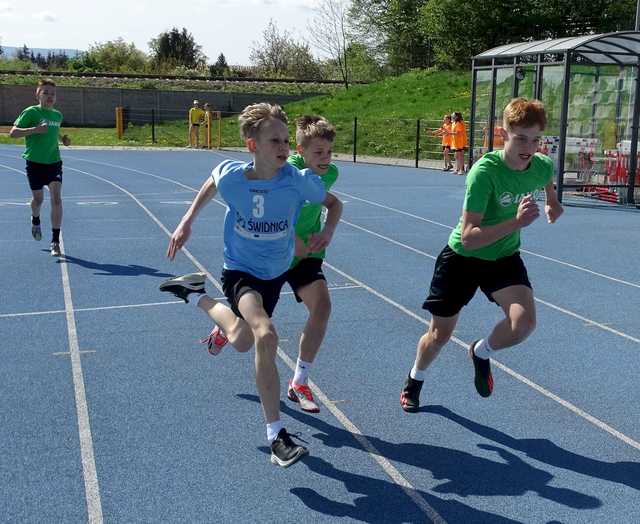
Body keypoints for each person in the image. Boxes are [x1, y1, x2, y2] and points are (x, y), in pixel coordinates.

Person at [159, 103, 341, 467]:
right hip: (240, 270)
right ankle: (276, 434)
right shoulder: (233, 176)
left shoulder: (297, 180)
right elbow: (212, 181)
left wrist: (326, 231)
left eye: (286, 140)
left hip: (274, 273)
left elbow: (335, 204)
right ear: (251, 145)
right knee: (265, 333)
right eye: (275, 140)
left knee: (241, 340)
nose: (284, 147)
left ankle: (195, 294)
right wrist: (186, 220)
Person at [400, 98, 564, 413]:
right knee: (439, 335)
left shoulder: (541, 164)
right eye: (520, 139)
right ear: (503, 134)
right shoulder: (484, 172)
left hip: (503, 257)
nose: (528, 147)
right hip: (462, 258)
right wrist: (516, 222)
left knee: (524, 323)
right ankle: (414, 379)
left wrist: (552, 202)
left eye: (534, 139)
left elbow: (546, 180)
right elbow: (469, 237)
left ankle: (481, 352)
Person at [9, 78, 71, 257]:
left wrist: (63, 139)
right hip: (34, 163)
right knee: (38, 200)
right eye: (46, 93)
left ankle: (55, 241)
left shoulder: (57, 115)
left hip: (54, 162)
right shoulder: (31, 112)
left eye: (53, 94)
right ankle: (35, 219)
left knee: (56, 199)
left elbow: (53, 132)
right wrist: (34, 130)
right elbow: (13, 133)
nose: (50, 96)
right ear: (38, 94)